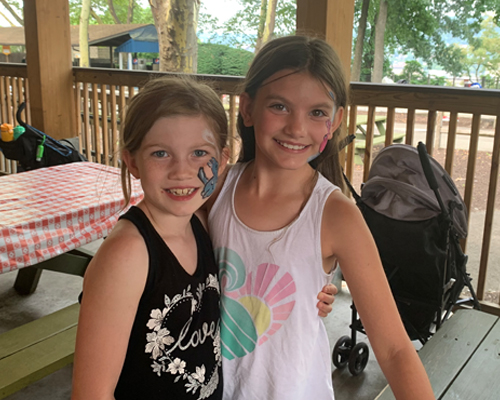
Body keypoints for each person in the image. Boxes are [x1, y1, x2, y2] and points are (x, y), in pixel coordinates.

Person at [205, 35, 435, 399]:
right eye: (279, 106)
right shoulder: (215, 191)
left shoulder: (336, 214)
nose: (297, 129)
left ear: (336, 120)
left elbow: (394, 348)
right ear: (247, 107)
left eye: (316, 113)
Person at [71, 77, 230, 400]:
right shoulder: (128, 253)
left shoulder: (201, 221)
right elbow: (91, 394)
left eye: (199, 153)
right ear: (132, 162)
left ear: (222, 160)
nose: (182, 171)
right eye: (160, 153)